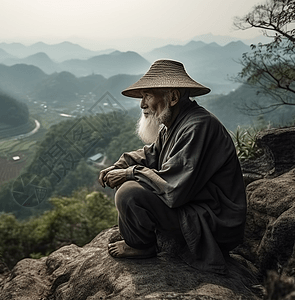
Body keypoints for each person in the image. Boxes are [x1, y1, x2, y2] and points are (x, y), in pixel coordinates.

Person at [98, 59, 247, 274]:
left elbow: (174, 188)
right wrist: (119, 165)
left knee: (129, 193)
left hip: (214, 221)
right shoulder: (172, 125)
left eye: (147, 96)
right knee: (131, 185)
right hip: (195, 207)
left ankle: (141, 247)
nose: (142, 104)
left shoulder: (198, 126)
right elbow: (150, 155)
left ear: (173, 97)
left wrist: (129, 174)